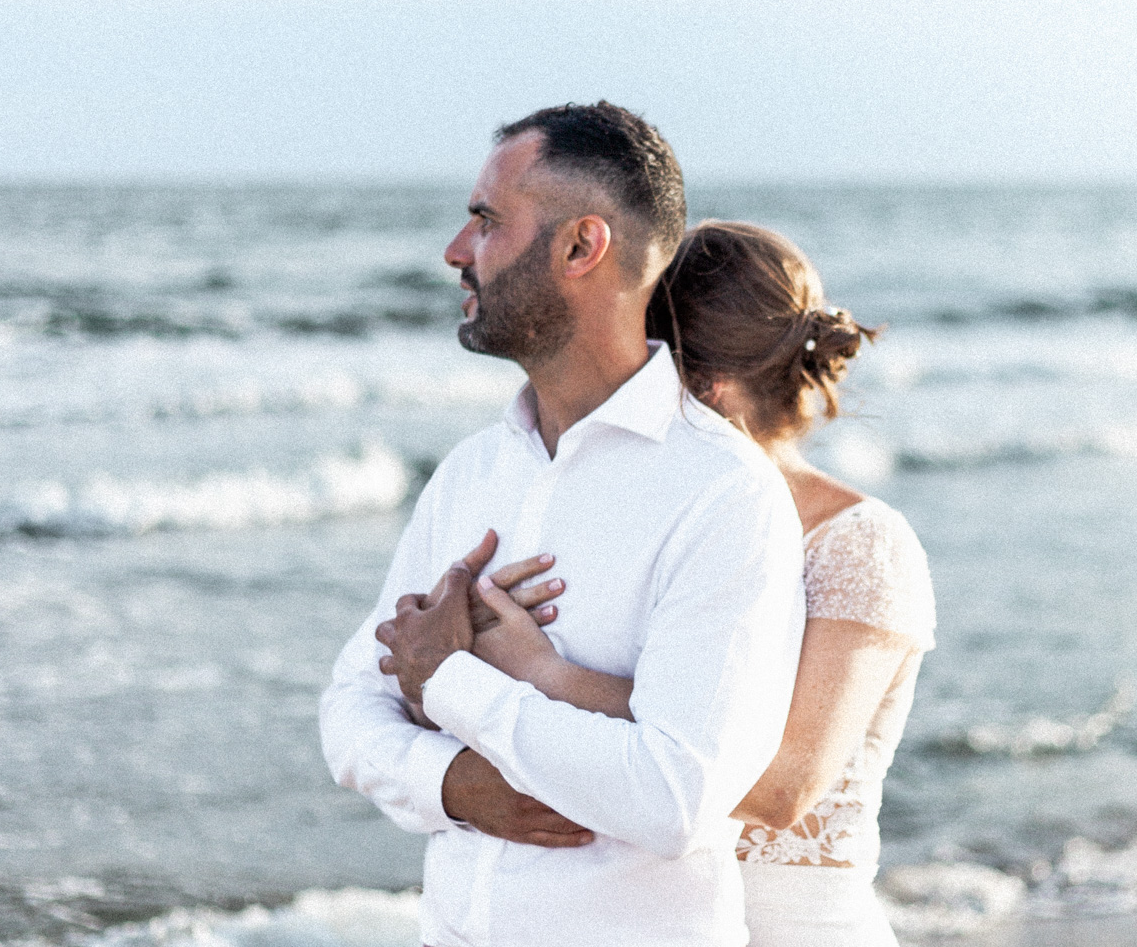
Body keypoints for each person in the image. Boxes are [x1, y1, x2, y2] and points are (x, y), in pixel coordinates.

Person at [319, 104, 807, 947]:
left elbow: (676, 798)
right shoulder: (474, 471)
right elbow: (349, 709)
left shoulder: (725, 495)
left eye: (486, 222)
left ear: (582, 247)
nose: (456, 252)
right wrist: (455, 785)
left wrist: (451, 682)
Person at [451, 221, 936, 947]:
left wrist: (544, 673)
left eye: (641, 367)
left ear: (702, 385)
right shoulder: (642, 522)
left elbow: (783, 788)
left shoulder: (860, 544)